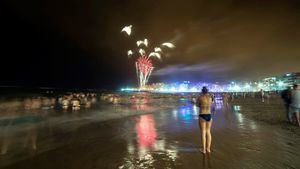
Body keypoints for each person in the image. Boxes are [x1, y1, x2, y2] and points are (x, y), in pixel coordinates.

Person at [197, 87, 214, 154]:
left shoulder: (200, 97)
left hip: (202, 115)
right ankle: (208, 149)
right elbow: (212, 105)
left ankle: (203, 150)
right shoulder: (210, 97)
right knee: (208, 132)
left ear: (202, 91)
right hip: (209, 115)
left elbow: (197, 105)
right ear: (207, 91)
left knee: (203, 132)